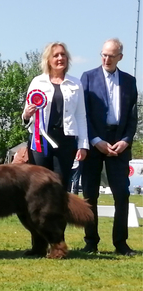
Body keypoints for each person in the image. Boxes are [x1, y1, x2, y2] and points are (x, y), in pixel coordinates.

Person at [21, 42, 89, 256]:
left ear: (67, 59)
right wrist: (28, 114)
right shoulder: (37, 82)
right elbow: (25, 115)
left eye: (62, 55)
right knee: (37, 193)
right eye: (55, 55)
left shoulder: (75, 84)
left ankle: (58, 243)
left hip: (66, 141)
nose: (59, 58)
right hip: (40, 141)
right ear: (48, 60)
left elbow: (81, 116)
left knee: (58, 194)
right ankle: (38, 244)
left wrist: (83, 144)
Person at [80, 38, 138, 256]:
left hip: (119, 142)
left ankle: (121, 244)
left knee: (121, 194)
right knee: (89, 194)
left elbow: (133, 117)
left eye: (111, 55)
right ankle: (91, 242)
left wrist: (126, 140)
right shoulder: (88, 77)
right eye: (103, 54)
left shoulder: (130, 81)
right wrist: (96, 141)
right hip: (95, 141)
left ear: (120, 57)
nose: (106, 59)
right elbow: (82, 113)